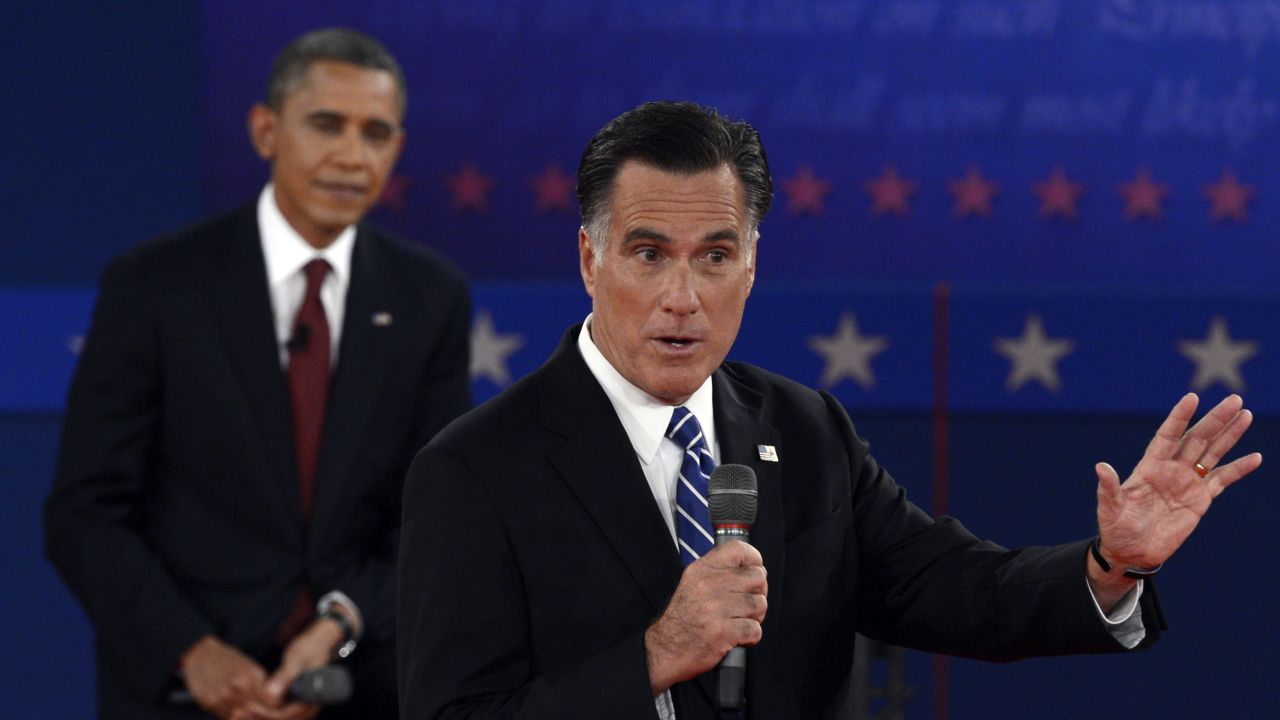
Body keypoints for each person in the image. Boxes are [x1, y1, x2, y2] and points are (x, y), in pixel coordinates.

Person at [396, 100, 1261, 719]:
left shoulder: (805, 430)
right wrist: (655, 657)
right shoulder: (475, 471)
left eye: (716, 255)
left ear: (754, 263)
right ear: (589, 259)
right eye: (649, 253)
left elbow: (960, 590)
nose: (684, 298)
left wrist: (1112, 564)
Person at [44, 28, 471, 720]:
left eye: (376, 133)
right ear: (266, 130)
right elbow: (85, 512)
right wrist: (190, 649)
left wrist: (343, 621)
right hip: (184, 692)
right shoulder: (156, 286)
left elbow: (437, 517)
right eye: (327, 125)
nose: (350, 156)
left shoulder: (429, 298)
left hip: (361, 689)